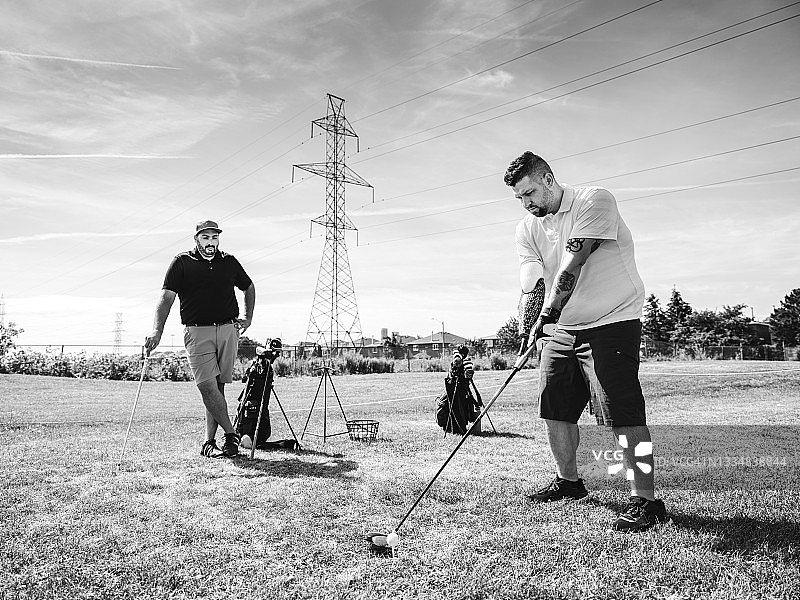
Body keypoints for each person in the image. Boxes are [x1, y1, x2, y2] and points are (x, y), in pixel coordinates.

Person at [504, 151, 666, 532]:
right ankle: (569, 483)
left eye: (529, 193)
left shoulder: (595, 200)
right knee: (554, 406)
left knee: (621, 412)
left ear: (547, 179)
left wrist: (547, 315)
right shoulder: (527, 228)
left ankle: (646, 500)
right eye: (519, 198)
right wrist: (531, 322)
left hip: (613, 320)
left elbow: (570, 266)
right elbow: (533, 279)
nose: (526, 204)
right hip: (564, 328)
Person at [144, 219, 256, 458]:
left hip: (227, 330)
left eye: (214, 238)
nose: (211, 243)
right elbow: (165, 300)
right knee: (206, 386)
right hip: (197, 332)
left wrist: (247, 317)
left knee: (218, 388)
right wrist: (157, 332)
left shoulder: (229, 262)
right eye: (205, 238)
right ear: (196, 239)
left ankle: (209, 442)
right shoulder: (182, 262)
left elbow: (248, 287)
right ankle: (231, 434)